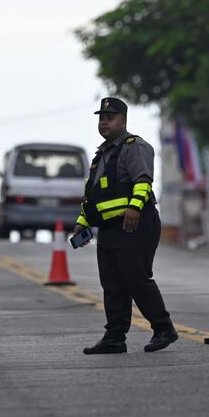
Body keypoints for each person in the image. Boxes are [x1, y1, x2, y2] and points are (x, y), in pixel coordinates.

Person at [73, 97, 177, 354]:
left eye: (110, 117)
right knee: (111, 282)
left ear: (124, 120)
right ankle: (115, 337)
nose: (104, 122)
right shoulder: (101, 155)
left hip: (135, 223)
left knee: (135, 278)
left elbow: (143, 180)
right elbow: (93, 196)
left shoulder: (135, 146)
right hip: (109, 229)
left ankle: (164, 328)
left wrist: (134, 207)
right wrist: (82, 222)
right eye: (101, 118)